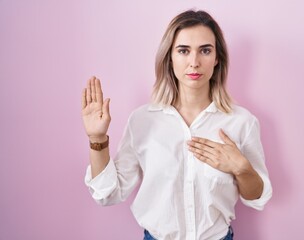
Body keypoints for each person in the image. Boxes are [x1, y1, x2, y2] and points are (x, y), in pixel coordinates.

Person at [81, 9, 272, 240]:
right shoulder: (143, 120)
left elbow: (257, 197)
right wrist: (97, 139)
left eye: (205, 50)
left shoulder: (241, 122)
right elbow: (109, 193)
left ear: (217, 58)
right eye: (183, 51)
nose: (194, 62)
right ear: (170, 57)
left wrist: (242, 168)